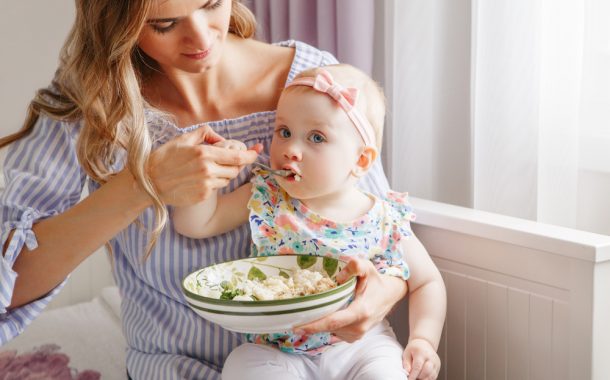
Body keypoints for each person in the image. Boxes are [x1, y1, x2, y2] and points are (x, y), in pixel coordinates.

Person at [0, 1, 413, 378]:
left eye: (211, 4)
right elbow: (10, 286)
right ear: (115, 23)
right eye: (164, 23)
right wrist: (142, 185)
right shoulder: (89, 103)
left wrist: (381, 295)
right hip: (171, 368)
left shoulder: (316, 84)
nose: (201, 38)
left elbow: (388, 239)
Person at [173, 64, 446, 380]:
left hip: (360, 346)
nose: (291, 150)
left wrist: (423, 340)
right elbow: (197, 224)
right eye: (284, 132)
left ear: (361, 161)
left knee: (385, 372)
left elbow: (427, 281)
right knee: (241, 365)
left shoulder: (384, 218)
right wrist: (208, 174)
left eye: (316, 137)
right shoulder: (269, 195)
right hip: (276, 349)